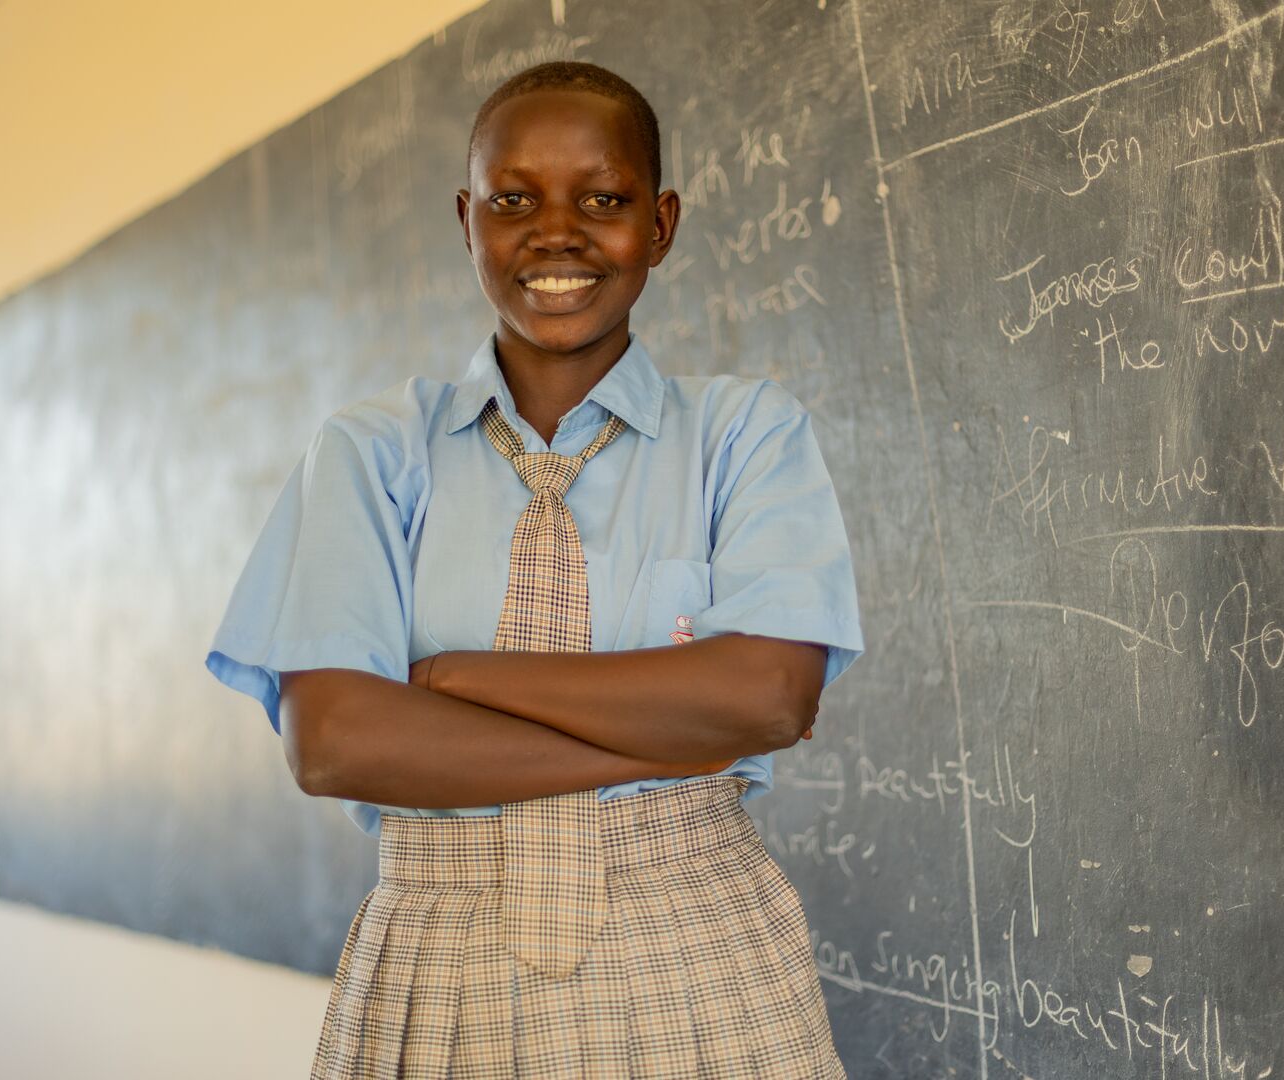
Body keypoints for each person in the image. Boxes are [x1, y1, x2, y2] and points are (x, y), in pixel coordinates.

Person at [205, 59, 864, 1078]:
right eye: (514, 200)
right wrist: (675, 738)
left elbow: (770, 694)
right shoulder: (374, 451)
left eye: (604, 198)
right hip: (441, 958)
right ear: (467, 220)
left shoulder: (744, 435)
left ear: (660, 223)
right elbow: (335, 740)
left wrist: (457, 678)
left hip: (700, 948)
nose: (557, 232)